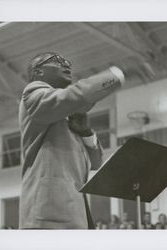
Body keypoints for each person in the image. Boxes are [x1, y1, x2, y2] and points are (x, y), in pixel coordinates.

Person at [19, 52, 124, 229]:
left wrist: (85, 133)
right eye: (57, 61)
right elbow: (76, 95)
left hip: (74, 213)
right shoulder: (33, 95)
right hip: (46, 215)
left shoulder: (65, 111)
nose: (66, 64)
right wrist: (115, 76)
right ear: (38, 72)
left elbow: (96, 163)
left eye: (66, 61)